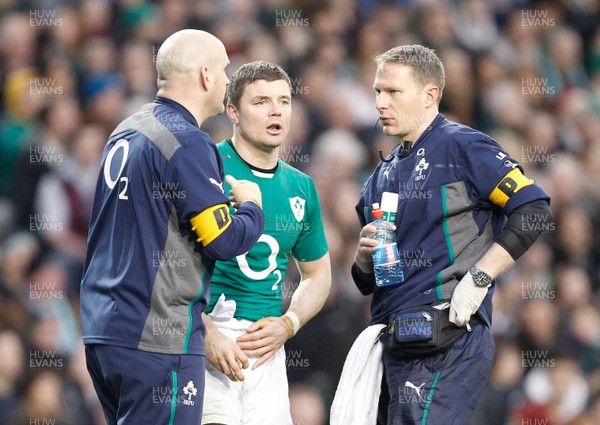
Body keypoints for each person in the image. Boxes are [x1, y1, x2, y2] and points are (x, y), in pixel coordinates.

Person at [349, 45, 552, 424]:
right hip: (391, 343)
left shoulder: (463, 146)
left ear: (430, 95)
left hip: (448, 333)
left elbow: (534, 208)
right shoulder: (379, 176)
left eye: (393, 92)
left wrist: (479, 277)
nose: (380, 102)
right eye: (378, 91)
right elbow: (367, 282)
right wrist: (363, 258)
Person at [79, 29, 265, 425]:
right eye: (224, 70)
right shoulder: (187, 141)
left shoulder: (127, 129)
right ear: (205, 76)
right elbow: (223, 240)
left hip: (104, 331)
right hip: (157, 337)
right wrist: (252, 206)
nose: (229, 80)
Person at [200, 61, 331, 425]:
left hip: (266, 351)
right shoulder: (204, 166)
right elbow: (164, 264)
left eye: (284, 101)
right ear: (233, 112)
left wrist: (288, 324)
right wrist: (203, 331)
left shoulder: (301, 186)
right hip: (204, 340)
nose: (276, 110)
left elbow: (318, 274)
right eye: (260, 102)